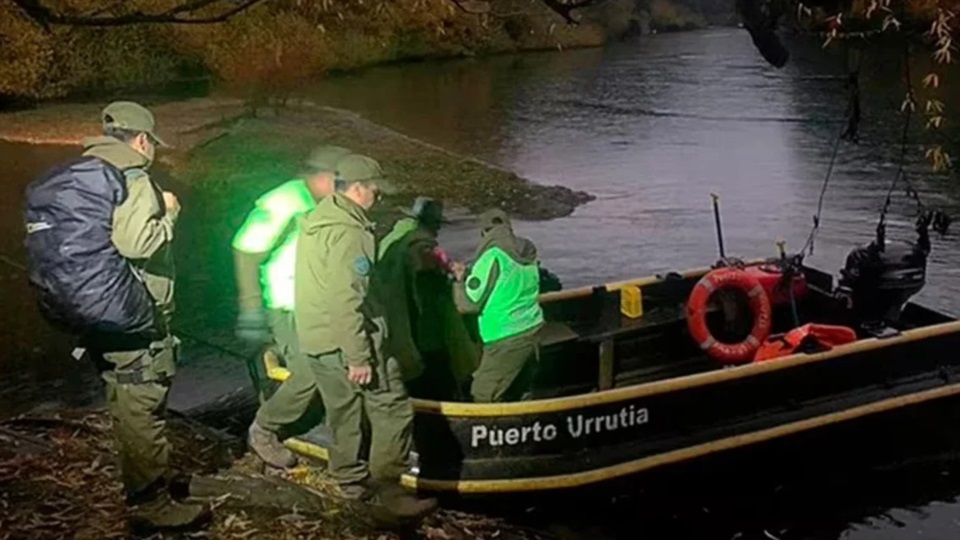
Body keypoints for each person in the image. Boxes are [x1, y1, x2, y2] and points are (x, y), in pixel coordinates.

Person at [22, 101, 210, 530]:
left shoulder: (79, 177)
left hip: (92, 314)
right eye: (153, 143)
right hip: (134, 318)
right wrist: (172, 211)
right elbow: (139, 243)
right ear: (142, 140)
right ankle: (151, 505)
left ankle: (142, 485)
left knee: (124, 400)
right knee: (143, 406)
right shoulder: (134, 178)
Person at [294, 153, 437, 520]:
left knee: (343, 412)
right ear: (357, 189)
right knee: (391, 408)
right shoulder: (352, 234)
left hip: (317, 337)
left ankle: (349, 483)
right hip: (352, 340)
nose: (379, 196)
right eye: (375, 189)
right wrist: (358, 355)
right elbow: (346, 299)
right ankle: (390, 493)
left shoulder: (317, 219)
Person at [232, 145, 352, 469]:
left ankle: (327, 432)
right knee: (309, 372)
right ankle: (264, 429)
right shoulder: (284, 201)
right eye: (340, 181)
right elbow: (245, 250)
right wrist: (251, 307)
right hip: (286, 306)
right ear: (323, 177)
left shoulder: (326, 205)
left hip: (317, 307)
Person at [376, 197, 478, 400]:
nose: (439, 229)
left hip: (394, 327)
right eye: (437, 223)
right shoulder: (423, 247)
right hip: (427, 335)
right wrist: (454, 278)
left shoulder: (392, 240)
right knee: (436, 381)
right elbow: (429, 295)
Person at [452, 209, 545, 403]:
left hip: (504, 337)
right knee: (520, 391)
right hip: (532, 329)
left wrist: (460, 281)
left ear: (484, 232)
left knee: (484, 393)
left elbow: (468, 304)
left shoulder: (492, 256)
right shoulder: (528, 251)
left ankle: (498, 432)